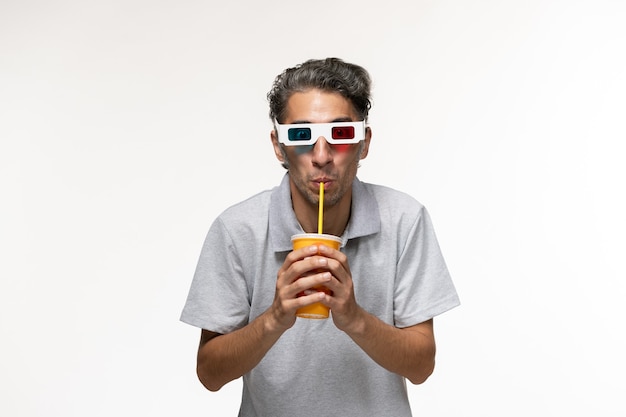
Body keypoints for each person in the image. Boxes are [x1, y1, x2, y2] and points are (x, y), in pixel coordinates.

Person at [180, 57, 460, 417]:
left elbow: (422, 366)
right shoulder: (238, 229)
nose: (322, 156)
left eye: (341, 135)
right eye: (301, 135)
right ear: (279, 147)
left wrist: (355, 318)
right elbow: (210, 373)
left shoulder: (404, 219)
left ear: (365, 142)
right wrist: (275, 318)